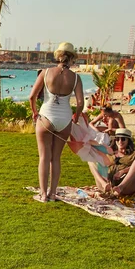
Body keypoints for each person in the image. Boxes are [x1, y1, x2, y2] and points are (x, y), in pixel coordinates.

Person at [29, 42, 84, 202]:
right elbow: (80, 103)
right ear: (72, 58)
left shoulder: (46, 73)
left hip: (46, 117)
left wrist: (34, 112)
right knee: (56, 158)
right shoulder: (76, 78)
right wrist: (76, 116)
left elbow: (32, 96)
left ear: (58, 56)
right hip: (65, 119)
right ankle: (53, 193)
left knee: (44, 157)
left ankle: (43, 194)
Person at [88, 128, 135, 198]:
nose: (120, 141)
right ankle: (104, 185)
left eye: (123, 139)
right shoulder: (109, 152)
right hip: (109, 184)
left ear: (128, 141)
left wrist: (123, 171)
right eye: (118, 139)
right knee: (91, 160)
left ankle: (120, 188)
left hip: (127, 186)